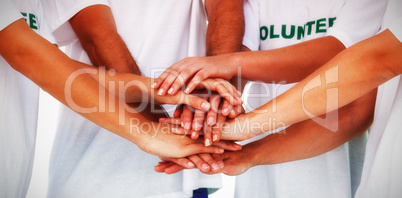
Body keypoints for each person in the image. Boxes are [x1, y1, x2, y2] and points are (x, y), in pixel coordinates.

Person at [155, 0, 387, 197]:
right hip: (258, 176)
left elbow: (343, 56)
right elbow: (234, 68)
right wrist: (207, 112)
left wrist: (226, 67)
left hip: (334, 177)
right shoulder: (256, 4)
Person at [41, 0, 244, 197]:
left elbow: (225, 5)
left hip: (188, 170)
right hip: (98, 170)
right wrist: (162, 129)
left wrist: (211, 91)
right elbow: (95, 34)